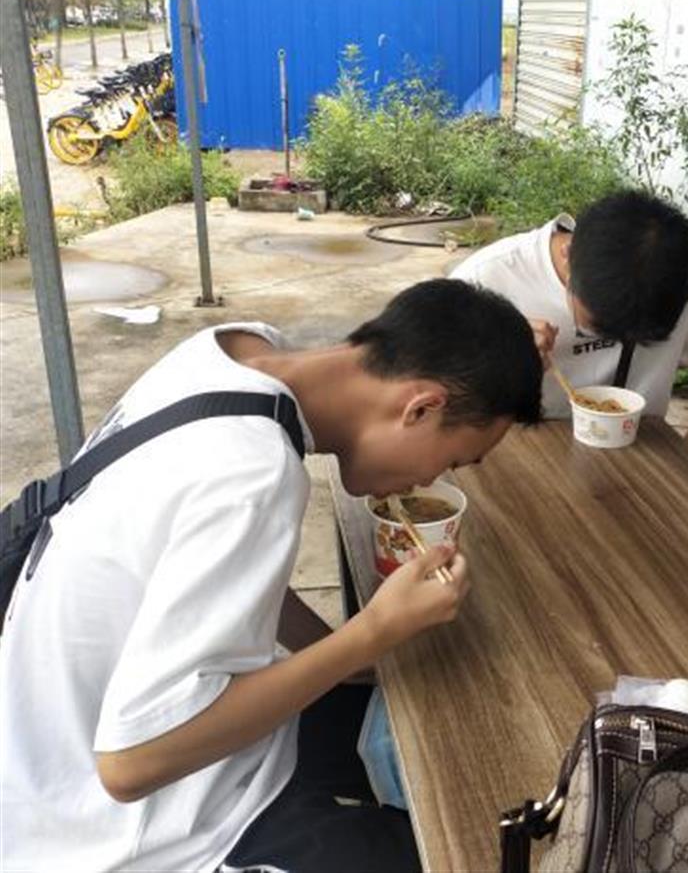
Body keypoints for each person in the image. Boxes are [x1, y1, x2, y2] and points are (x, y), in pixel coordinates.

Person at [0, 280, 543, 871]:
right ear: (421, 407)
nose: (431, 480)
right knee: (475, 851)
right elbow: (130, 765)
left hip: (45, 744)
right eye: (455, 460)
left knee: (421, 728)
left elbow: (213, 570)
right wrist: (372, 633)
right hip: (119, 824)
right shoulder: (255, 473)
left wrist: (345, 658)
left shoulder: (232, 351)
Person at [450, 190, 688, 452]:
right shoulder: (486, 279)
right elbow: (433, 397)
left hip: (640, 448)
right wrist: (499, 362)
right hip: (523, 455)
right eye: (594, 326)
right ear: (569, 252)